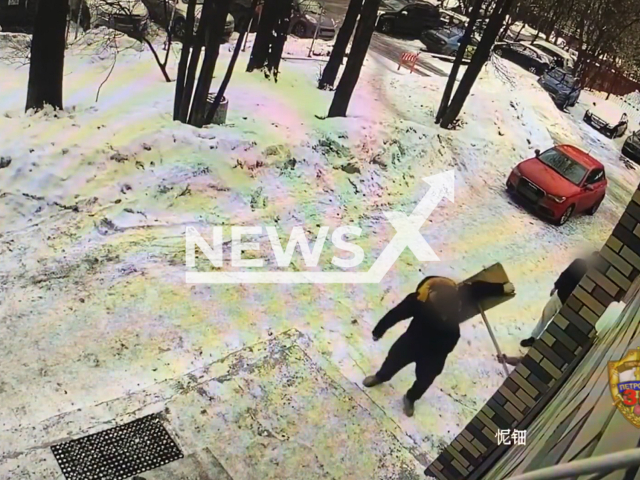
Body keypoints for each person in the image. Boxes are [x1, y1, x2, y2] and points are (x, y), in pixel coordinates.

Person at [363, 275, 515, 417]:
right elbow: (395, 314)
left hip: (437, 352)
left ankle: (411, 398)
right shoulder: (418, 300)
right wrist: (379, 330)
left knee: (425, 379)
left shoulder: (458, 294)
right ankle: (380, 377)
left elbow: (478, 288)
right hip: (411, 343)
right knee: (393, 362)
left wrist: (502, 288)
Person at [519, 252, 599, 348]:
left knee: (557, 323)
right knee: (546, 315)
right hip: (560, 294)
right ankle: (533, 338)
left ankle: (544, 343)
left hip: (570, 303)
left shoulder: (591, 274)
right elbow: (564, 275)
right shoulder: (578, 263)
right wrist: (556, 287)